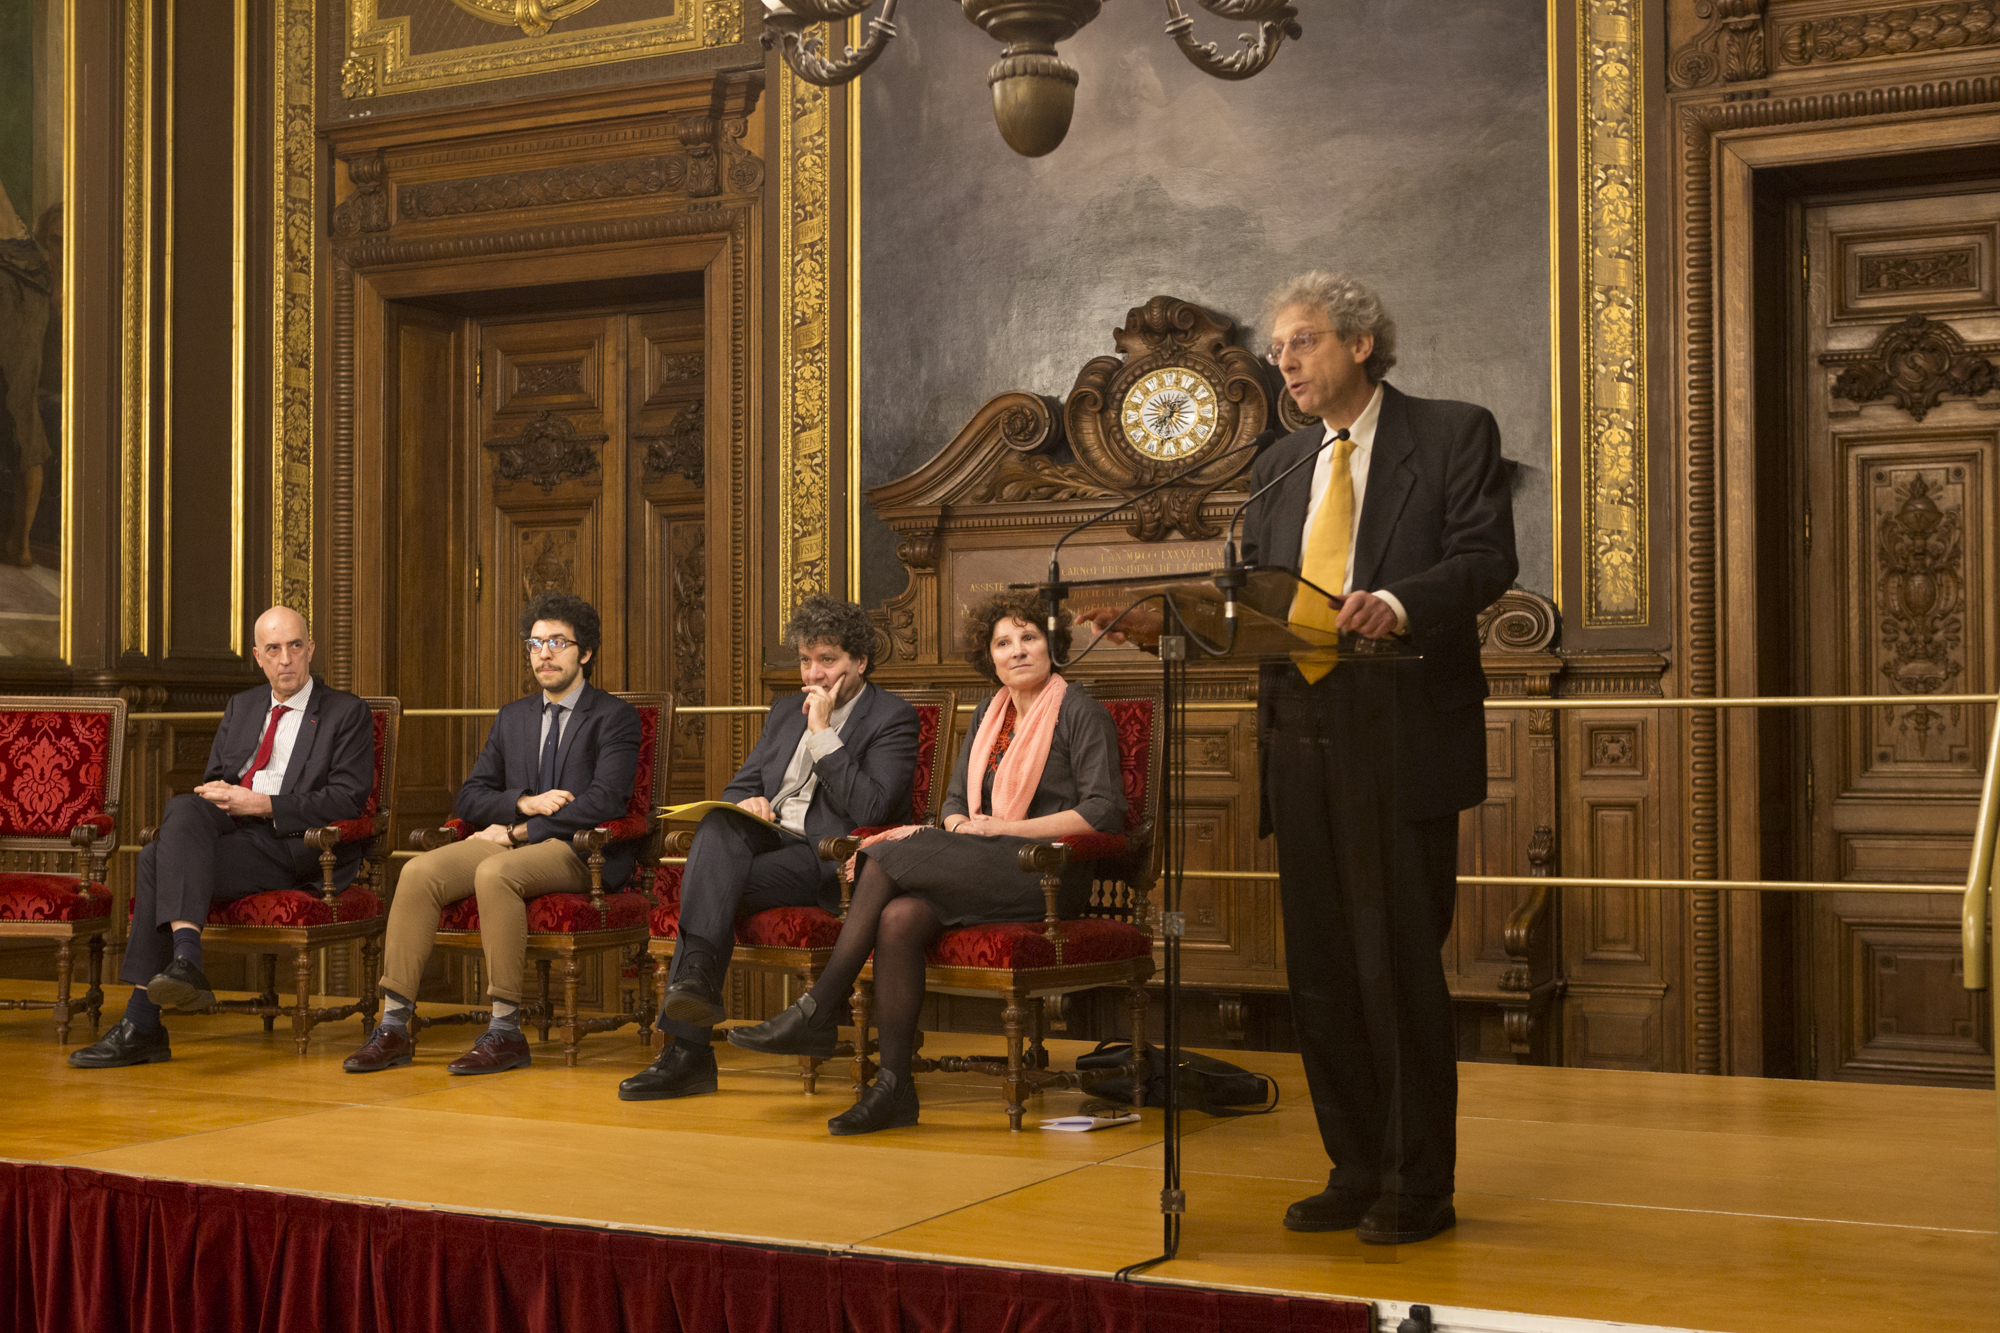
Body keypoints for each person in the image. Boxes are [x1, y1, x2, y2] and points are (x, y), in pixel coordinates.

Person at [1241, 271, 1516, 1244]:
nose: (1285, 361)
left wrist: (1396, 603)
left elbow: (1485, 557)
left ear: (1360, 343)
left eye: (1303, 340)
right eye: (1278, 346)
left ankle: (1415, 1184)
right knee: (1319, 970)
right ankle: (1352, 1167)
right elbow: (1257, 588)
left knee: (1393, 965)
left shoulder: (1450, 432)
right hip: (1299, 732)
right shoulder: (1280, 462)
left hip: (1397, 727)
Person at [724, 591, 1126, 1135]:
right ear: (990, 656)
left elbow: (1103, 812)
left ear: (1050, 644)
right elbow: (955, 803)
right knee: (898, 918)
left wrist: (1004, 830)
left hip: (1047, 874)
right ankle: (895, 1090)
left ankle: (819, 1007)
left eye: (1029, 638)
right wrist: (964, 827)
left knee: (884, 855)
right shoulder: (989, 714)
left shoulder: (1080, 711)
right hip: (981, 861)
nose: (1017, 651)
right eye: (1003, 642)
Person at [618, 594, 919, 1102]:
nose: (814, 673)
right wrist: (749, 801)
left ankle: (687, 1051)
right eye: (805, 660)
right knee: (719, 821)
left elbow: (871, 808)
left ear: (860, 662)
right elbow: (741, 785)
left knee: (708, 886)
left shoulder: (893, 717)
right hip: (768, 838)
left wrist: (822, 732)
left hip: (826, 856)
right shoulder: (783, 711)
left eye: (828, 660)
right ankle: (694, 988)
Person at [343, 590, 641, 1076]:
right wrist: (522, 802)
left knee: (496, 872)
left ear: (585, 652)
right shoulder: (513, 717)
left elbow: (605, 801)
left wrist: (522, 831)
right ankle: (393, 1025)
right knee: (418, 872)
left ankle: (505, 1031)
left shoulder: (614, 717)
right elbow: (471, 796)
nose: (544, 654)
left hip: (580, 852)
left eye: (558, 642)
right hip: (515, 838)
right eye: (535, 643)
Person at [69, 607, 376, 1068]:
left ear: (311, 649)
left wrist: (263, 804)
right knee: (184, 806)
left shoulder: (345, 712)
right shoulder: (243, 706)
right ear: (258, 656)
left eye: (295, 646)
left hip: (294, 844)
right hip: (233, 831)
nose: (286, 659)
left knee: (155, 858)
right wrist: (224, 796)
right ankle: (183, 967)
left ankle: (144, 1021)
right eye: (274, 649)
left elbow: (348, 799)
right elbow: (217, 778)